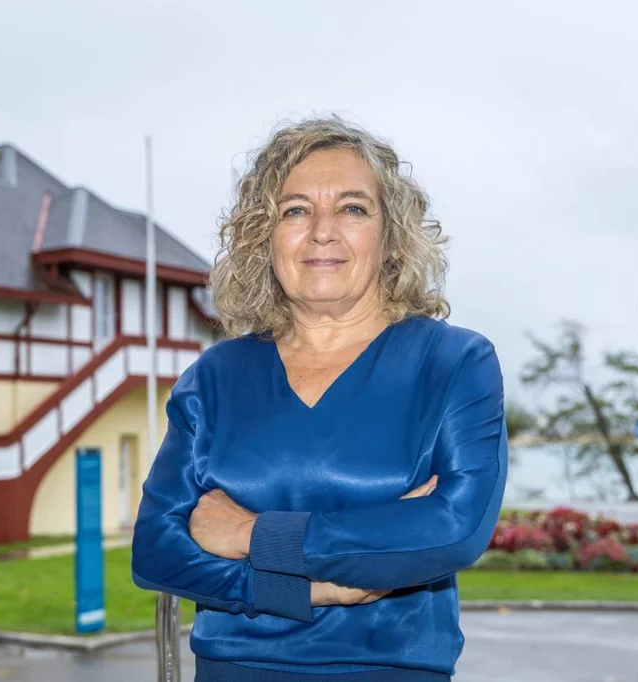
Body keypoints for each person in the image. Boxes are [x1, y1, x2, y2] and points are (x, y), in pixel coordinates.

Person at [131, 116, 507, 681]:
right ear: (267, 236)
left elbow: (454, 528)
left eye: (353, 208)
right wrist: (311, 589)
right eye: (296, 210)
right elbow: (157, 550)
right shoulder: (216, 374)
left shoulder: (454, 363)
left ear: (390, 234)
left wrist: (250, 534)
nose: (322, 231)